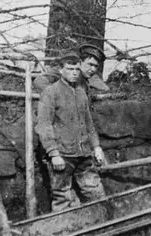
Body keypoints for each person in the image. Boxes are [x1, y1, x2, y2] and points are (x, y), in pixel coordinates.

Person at [35, 52, 106, 212]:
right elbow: (44, 125)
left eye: (76, 69)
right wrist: (54, 154)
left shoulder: (81, 92)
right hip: (63, 155)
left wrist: (96, 147)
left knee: (95, 192)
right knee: (62, 197)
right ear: (60, 70)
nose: (74, 72)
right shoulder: (51, 92)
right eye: (69, 68)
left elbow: (89, 123)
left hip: (83, 153)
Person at [33, 43, 109, 94]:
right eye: (90, 64)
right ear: (80, 62)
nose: (93, 69)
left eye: (96, 66)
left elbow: (105, 89)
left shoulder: (90, 76)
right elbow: (39, 81)